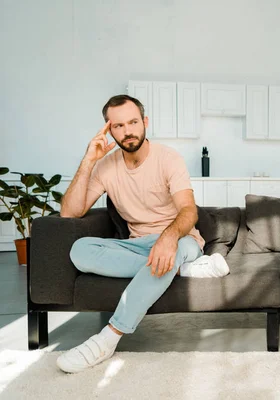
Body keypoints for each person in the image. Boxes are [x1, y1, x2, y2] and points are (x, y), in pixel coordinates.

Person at [56, 95, 229, 373]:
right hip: (138, 246)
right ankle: (181, 270)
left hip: (181, 241)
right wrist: (89, 160)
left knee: (170, 252)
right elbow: (69, 212)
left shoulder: (168, 158)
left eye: (133, 122)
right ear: (109, 130)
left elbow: (188, 211)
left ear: (145, 122)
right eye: (119, 125)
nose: (128, 131)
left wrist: (168, 240)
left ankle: (108, 339)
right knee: (80, 250)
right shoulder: (105, 166)